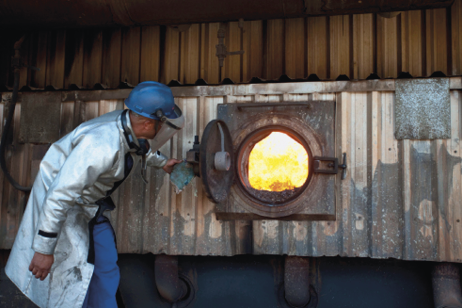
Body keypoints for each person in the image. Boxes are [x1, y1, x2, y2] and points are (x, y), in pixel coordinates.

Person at [5, 81, 184, 308]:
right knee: (69, 284)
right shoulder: (100, 145)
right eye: (161, 124)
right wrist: (43, 250)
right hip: (64, 208)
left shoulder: (128, 122)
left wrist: (163, 162)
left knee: (106, 266)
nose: (162, 129)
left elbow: (139, 146)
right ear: (149, 123)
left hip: (89, 209)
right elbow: (59, 196)